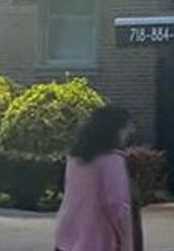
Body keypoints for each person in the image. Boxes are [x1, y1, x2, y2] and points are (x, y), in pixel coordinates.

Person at [54, 106, 136, 251]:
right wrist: (126, 241)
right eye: (125, 129)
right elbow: (116, 204)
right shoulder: (112, 160)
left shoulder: (75, 158)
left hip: (67, 238)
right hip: (98, 240)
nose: (129, 133)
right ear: (114, 130)